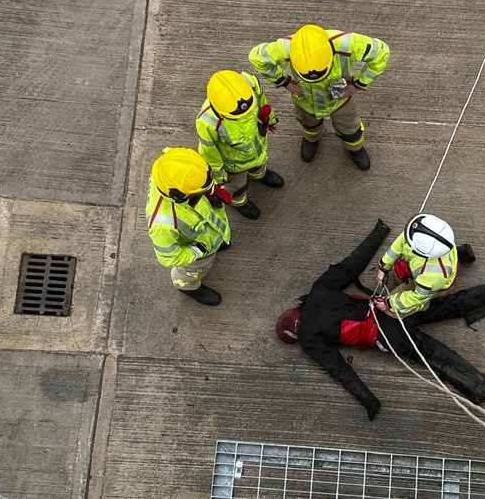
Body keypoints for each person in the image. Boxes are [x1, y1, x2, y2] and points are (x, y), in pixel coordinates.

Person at [275, 220, 485, 418]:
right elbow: (351, 265)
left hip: (385, 334)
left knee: (430, 352)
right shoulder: (318, 291)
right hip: (387, 305)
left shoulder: (309, 340)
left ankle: (479, 386)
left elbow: (341, 371)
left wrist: (370, 401)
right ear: (296, 309)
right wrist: (379, 232)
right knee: (436, 306)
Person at [249, 24, 389, 171]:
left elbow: (381, 53)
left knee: (351, 128)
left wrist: (358, 83)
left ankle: (355, 147)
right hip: (306, 100)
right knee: (309, 125)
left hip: (340, 99)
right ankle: (311, 138)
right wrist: (283, 81)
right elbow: (256, 57)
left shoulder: (346, 43)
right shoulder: (286, 48)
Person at [146, 147, 231, 306]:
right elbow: (169, 257)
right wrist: (198, 251)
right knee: (194, 272)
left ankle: (218, 242)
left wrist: (213, 190)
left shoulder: (173, 163)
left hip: (209, 233)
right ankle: (187, 286)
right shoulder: (162, 224)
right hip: (198, 253)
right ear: (180, 196)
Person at [195, 69, 284, 221]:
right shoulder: (207, 122)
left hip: (258, 148)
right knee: (237, 187)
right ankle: (239, 202)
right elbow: (209, 152)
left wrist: (270, 118)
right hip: (235, 166)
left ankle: (260, 175)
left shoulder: (251, 84)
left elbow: (263, 101)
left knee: (260, 165)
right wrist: (220, 177)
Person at [375, 213, 469, 320]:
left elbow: (419, 296)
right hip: (420, 273)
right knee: (399, 278)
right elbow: (401, 241)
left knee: (391, 311)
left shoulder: (434, 275)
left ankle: (422, 306)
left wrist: (389, 304)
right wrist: (384, 266)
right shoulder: (419, 232)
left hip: (427, 288)